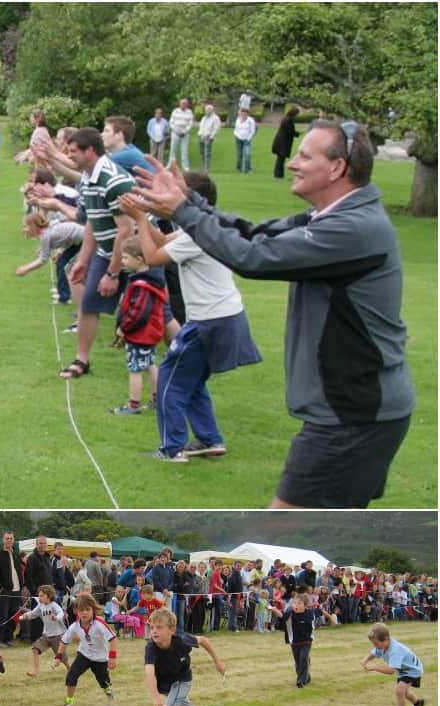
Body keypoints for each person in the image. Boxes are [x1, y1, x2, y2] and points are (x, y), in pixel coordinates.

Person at [133, 120, 414, 507]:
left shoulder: (354, 228)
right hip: (356, 413)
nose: (293, 163)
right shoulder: (332, 218)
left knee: (280, 520)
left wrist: (183, 210)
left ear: (337, 168)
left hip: (353, 417)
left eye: (305, 155)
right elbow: (251, 233)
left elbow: (252, 257)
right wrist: (190, 202)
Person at [119, 170, 261, 462]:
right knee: (192, 380)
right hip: (224, 316)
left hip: (209, 320)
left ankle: (171, 449)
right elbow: (163, 241)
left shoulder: (197, 235)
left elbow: (153, 256)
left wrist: (141, 219)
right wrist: (144, 213)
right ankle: (209, 439)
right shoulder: (204, 227)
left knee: (170, 380)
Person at [59, 128, 136, 381]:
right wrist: (83, 260)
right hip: (106, 250)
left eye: (73, 152)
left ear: (90, 151)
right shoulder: (87, 178)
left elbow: (126, 231)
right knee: (89, 303)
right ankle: (82, 360)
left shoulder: (113, 181)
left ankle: (177, 354)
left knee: (155, 310)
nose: (69, 156)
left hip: (139, 255)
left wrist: (112, 274)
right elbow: (93, 221)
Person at [144, 608, 232, 706]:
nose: (154, 631)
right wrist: (155, 697)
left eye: (159, 627)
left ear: (171, 629)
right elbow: (149, 672)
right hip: (167, 687)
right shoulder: (151, 648)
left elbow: (204, 640)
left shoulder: (182, 640)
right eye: (152, 627)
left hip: (182, 681)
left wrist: (218, 662)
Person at [110, 235, 166, 415]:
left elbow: (138, 313)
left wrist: (123, 328)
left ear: (139, 259)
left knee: (134, 368)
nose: (123, 261)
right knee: (150, 364)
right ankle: (159, 399)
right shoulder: (150, 279)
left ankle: (133, 405)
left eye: (125, 258)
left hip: (140, 334)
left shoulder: (142, 285)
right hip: (150, 333)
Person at [55, 593, 117, 706]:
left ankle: (109, 694)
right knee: (71, 676)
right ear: (76, 611)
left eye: (87, 610)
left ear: (93, 610)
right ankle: (69, 702)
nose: (84, 613)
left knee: (104, 682)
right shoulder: (74, 626)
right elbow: (64, 641)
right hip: (84, 655)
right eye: (81, 610)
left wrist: (112, 657)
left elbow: (113, 639)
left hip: (100, 659)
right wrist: (58, 657)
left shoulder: (99, 623)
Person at [361, 624, 426, 706]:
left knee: (400, 691)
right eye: (373, 644)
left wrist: (374, 667)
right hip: (403, 670)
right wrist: (365, 660)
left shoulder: (395, 650)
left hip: (412, 670)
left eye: (376, 644)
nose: (375, 646)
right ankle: (418, 703)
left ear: (386, 639)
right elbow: (374, 653)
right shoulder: (382, 646)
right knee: (405, 693)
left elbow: (391, 670)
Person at [19, 584, 68, 676]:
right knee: (35, 649)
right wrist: (24, 616)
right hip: (46, 635)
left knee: (62, 658)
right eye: (39, 595)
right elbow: (33, 613)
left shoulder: (54, 605)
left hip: (57, 636)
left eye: (41, 595)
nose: (39, 597)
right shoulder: (41, 606)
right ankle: (36, 671)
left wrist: (56, 617)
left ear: (49, 596)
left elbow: (61, 613)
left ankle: (70, 669)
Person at [282, 590, 315, 688]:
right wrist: (277, 612)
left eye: (299, 603)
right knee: (298, 661)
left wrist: (329, 616)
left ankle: (300, 680)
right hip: (294, 641)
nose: (296, 605)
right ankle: (306, 676)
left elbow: (307, 624)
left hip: (306, 640)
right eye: (295, 603)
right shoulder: (289, 613)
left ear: (305, 606)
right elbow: (282, 620)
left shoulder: (309, 614)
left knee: (303, 658)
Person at [271, 106, 299, 179]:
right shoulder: (288, 120)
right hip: (283, 142)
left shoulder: (286, 118)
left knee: (280, 159)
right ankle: (278, 175)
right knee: (280, 159)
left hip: (281, 141)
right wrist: (297, 134)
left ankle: (279, 175)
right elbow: (290, 131)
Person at [167, 98, 194, 170]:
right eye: (182, 103)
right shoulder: (175, 111)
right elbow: (171, 122)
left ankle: (185, 167)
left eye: (185, 103)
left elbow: (190, 123)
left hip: (185, 133)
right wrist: (176, 131)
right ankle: (170, 165)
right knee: (173, 150)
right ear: (179, 104)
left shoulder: (189, 112)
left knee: (184, 151)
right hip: (175, 132)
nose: (183, 105)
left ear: (187, 104)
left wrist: (185, 131)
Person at [197, 103, 221, 171]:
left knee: (207, 153)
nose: (206, 111)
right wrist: (199, 134)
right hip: (201, 136)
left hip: (208, 137)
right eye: (206, 110)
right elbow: (201, 126)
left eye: (208, 110)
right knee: (202, 153)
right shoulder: (204, 117)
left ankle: (206, 168)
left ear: (212, 110)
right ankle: (203, 166)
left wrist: (211, 136)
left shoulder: (215, 118)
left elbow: (216, 128)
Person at [233, 108, 256, 174]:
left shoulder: (250, 120)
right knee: (239, 154)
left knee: (247, 154)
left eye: (245, 113)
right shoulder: (238, 119)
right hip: (238, 139)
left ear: (247, 114)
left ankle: (247, 169)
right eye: (242, 113)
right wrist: (235, 134)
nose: (243, 115)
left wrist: (249, 137)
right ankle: (239, 168)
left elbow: (252, 130)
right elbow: (236, 129)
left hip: (247, 139)